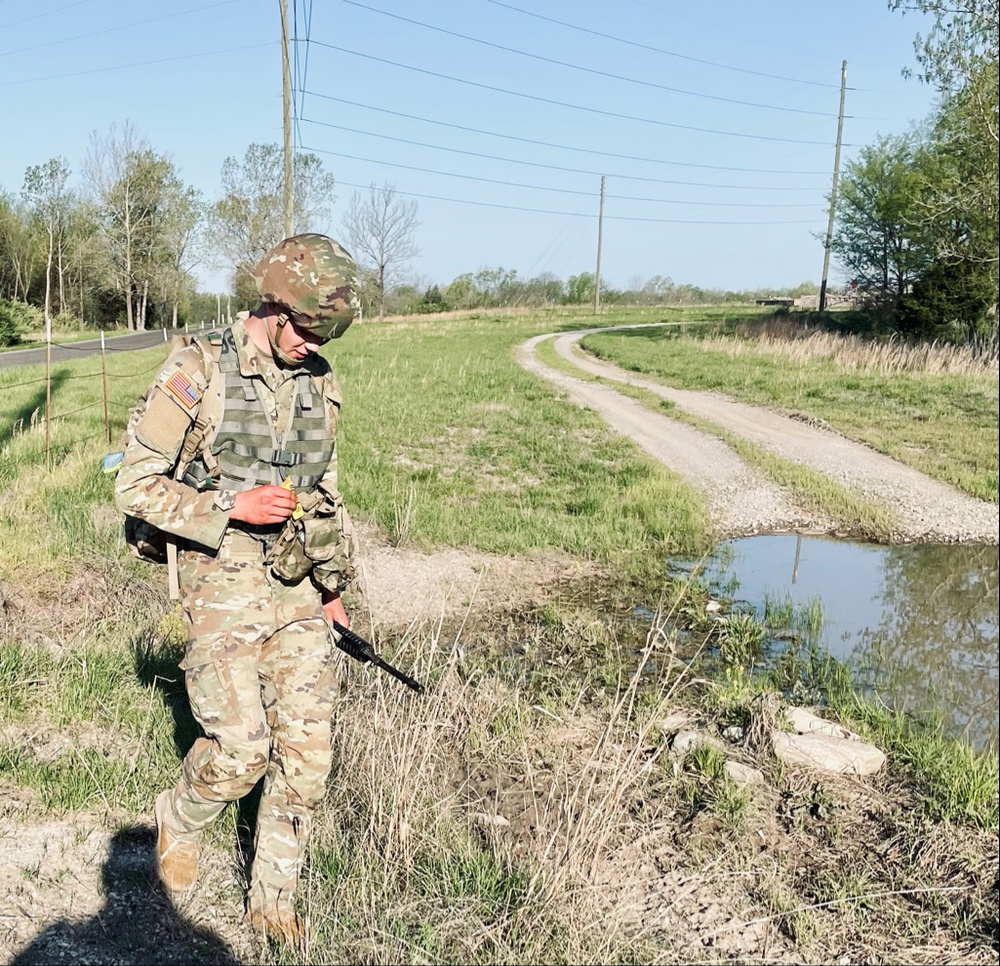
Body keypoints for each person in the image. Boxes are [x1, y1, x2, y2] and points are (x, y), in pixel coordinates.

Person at [114, 233, 361, 946]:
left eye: (325, 334)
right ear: (274, 308)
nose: (312, 345)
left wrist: (333, 585)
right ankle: (181, 817)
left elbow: (326, 493)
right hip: (218, 578)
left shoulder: (320, 379)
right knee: (242, 749)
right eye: (308, 329)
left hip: (295, 586)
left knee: (307, 756)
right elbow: (134, 486)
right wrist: (231, 508)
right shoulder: (199, 369)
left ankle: (272, 899)